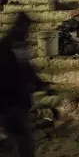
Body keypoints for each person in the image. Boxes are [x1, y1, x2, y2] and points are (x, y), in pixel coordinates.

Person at [0, 12, 44, 157]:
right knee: (21, 138)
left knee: (20, 139)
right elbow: (17, 72)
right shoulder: (8, 47)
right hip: (10, 100)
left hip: (14, 100)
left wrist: (39, 83)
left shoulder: (16, 44)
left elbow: (26, 69)